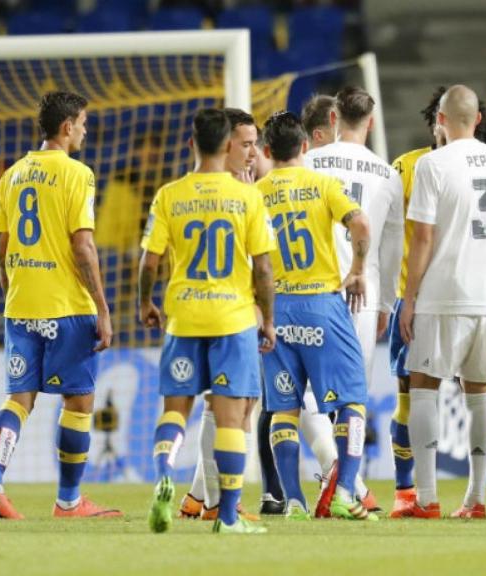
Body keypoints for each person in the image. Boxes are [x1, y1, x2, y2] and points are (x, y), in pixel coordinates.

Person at [0, 91, 120, 520]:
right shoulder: (78, 175)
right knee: (79, 401)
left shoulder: (12, 175)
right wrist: (102, 306)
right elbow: (84, 245)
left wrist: (13, 296)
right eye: (82, 123)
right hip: (67, 307)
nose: (85, 131)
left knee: (18, 399)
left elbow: (1, 251)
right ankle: (69, 502)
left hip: (21, 306)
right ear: (66, 127)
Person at [387, 88, 486, 518]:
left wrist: (409, 299)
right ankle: (476, 498)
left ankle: (426, 498)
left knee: (424, 388)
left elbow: (424, 238)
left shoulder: (432, 164)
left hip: (441, 295)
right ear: (479, 118)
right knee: (480, 393)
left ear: (442, 119)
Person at [139, 108, 275, 535]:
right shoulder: (247, 197)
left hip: (182, 317)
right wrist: (268, 319)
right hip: (233, 319)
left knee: (175, 411)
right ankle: (228, 516)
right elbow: (265, 269)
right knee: (232, 418)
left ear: (191, 144)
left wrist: (146, 301)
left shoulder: (169, 195)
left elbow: (149, 262)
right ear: (227, 145)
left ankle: (165, 472)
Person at [256, 111, 375, 521]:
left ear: (267, 151)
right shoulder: (324, 184)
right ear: (306, 146)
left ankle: (293, 501)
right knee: (354, 402)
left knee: (284, 409)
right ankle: (344, 492)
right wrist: (357, 271)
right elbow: (360, 224)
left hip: (277, 309)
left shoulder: (256, 192)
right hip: (322, 305)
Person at [304, 85, 405, 512]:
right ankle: (350, 485)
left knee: (302, 395)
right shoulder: (387, 174)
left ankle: (341, 478)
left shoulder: (307, 162)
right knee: (353, 397)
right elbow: (392, 247)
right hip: (363, 294)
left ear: (332, 119)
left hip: (309, 287)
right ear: (372, 122)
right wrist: (386, 305)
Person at [177, 108, 264, 522]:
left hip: (235, 311)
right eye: (246, 144)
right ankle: (219, 503)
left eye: (255, 145)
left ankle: (199, 496)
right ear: (225, 145)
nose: (253, 152)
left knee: (235, 406)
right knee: (230, 408)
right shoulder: (228, 194)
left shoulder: (244, 188)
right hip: (225, 314)